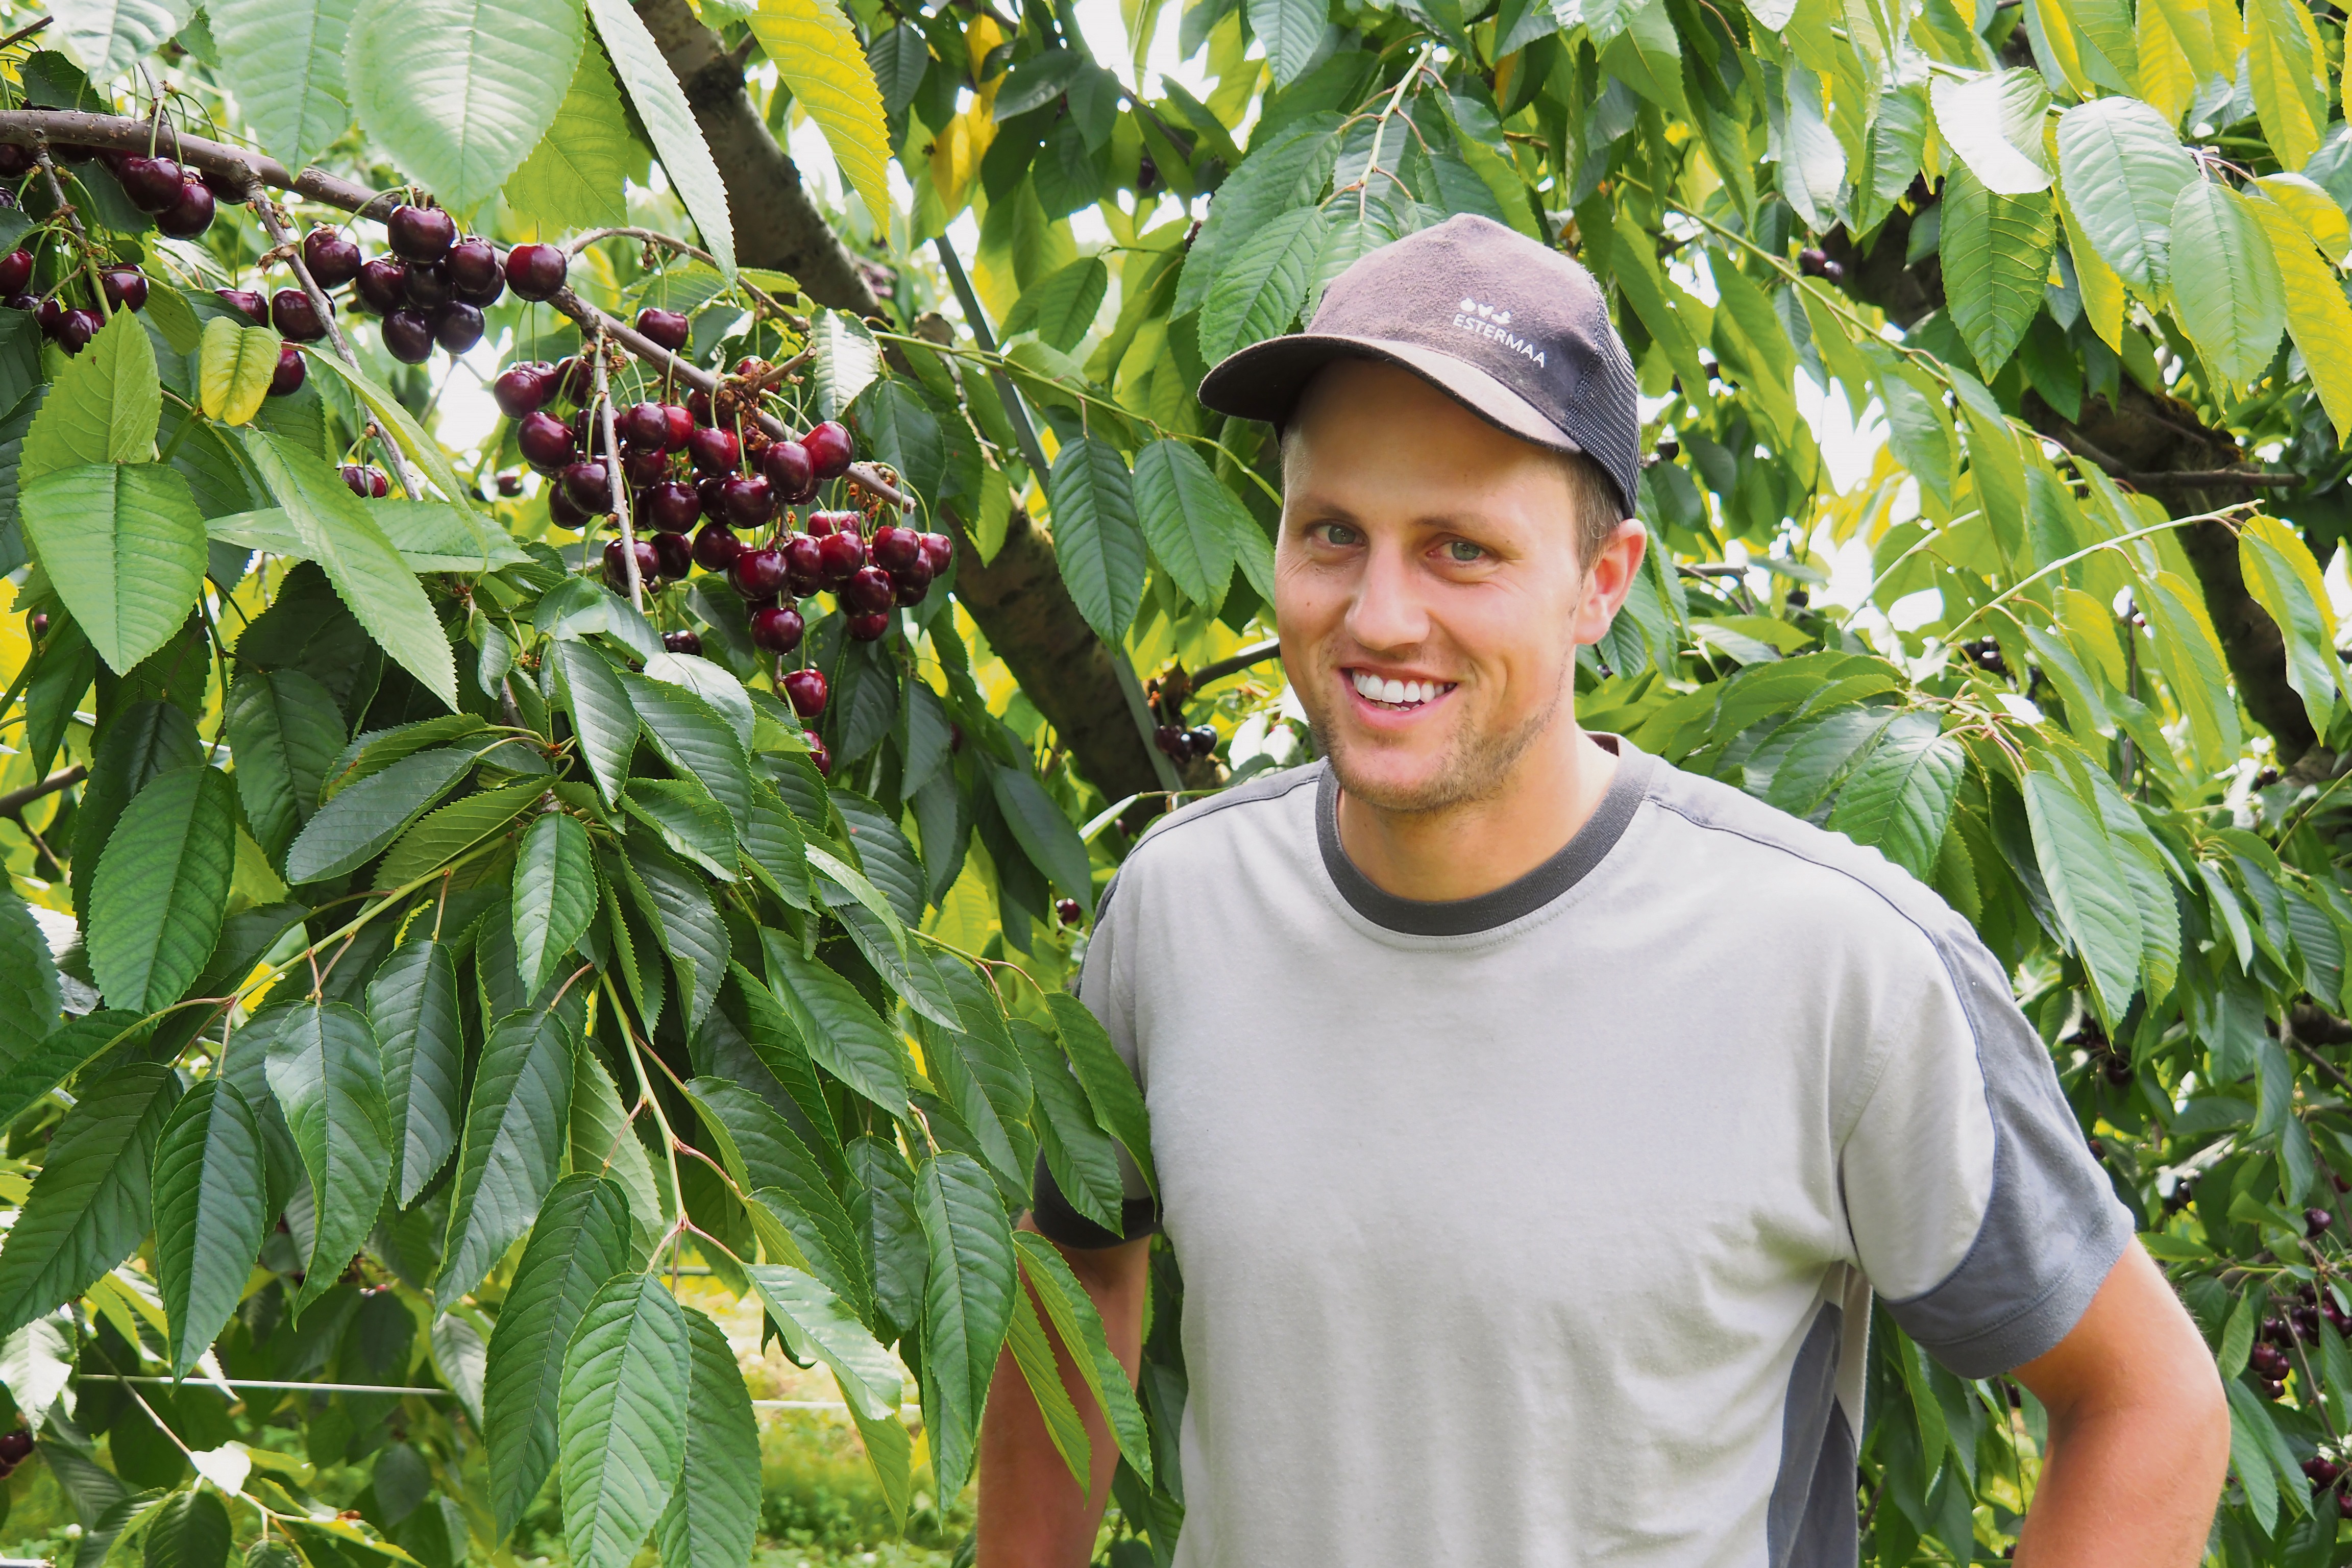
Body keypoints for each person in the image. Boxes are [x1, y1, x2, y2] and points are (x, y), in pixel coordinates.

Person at [974, 213, 2228, 1566]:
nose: (1383, 614)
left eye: (1462, 548)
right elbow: (1074, 1273)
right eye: (1332, 531)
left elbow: (2150, 1404)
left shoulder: (1838, 968)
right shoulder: (1178, 909)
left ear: (1600, 584)